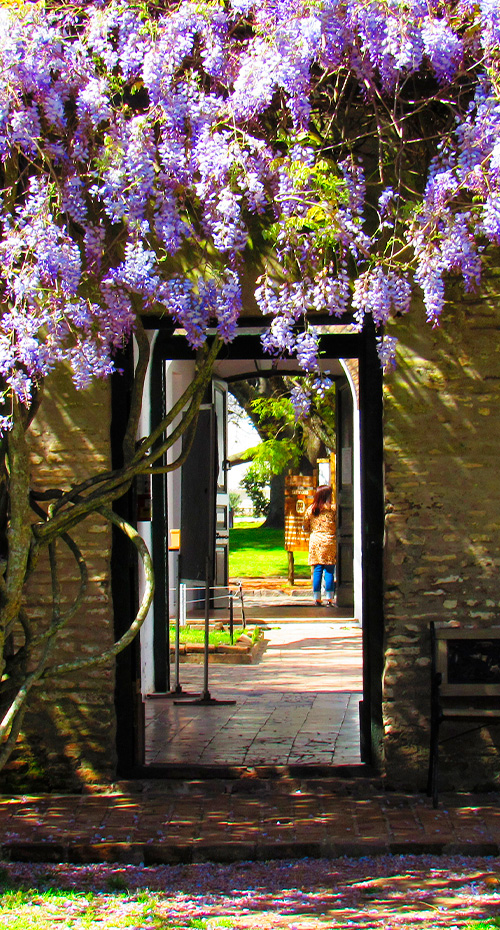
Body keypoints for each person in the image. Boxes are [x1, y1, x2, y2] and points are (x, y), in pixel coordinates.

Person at [302, 485, 337, 607]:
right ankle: (330, 597)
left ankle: (316, 597)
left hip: (315, 541)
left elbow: (305, 527)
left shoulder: (311, 509)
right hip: (329, 541)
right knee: (329, 570)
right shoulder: (333, 509)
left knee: (317, 570)